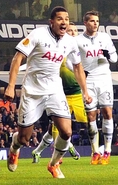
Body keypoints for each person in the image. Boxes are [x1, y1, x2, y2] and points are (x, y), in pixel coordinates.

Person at [4, 6, 91, 179]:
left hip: (54, 90)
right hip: (32, 91)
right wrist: (11, 86)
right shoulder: (38, 35)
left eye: (66, 19)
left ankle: (54, 164)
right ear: (51, 22)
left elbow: (77, 67)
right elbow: (18, 58)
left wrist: (85, 91)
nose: (64, 22)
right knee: (24, 138)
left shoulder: (70, 41)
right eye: (60, 19)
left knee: (66, 132)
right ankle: (14, 148)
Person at [31, 26, 86, 162]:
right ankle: (59, 152)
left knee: (87, 122)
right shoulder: (57, 50)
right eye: (69, 31)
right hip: (59, 93)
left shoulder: (80, 51)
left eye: (75, 31)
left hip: (77, 94)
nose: (72, 33)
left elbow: (82, 71)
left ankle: (39, 151)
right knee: (57, 126)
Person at [75, 11, 118, 164]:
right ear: (85, 23)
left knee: (107, 112)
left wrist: (108, 55)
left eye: (97, 21)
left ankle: (106, 151)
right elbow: (72, 61)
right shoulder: (78, 41)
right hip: (89, 82)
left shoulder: (105, 37)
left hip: (105, 79)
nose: (95, 24)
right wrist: (80, 74)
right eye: (92, 21)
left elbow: (115, 57)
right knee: (91, 116)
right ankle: (95, 152)